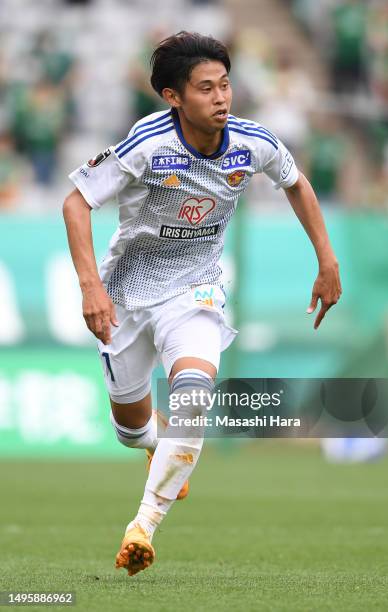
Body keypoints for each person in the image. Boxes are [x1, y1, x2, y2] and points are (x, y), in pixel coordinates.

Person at [62, 31, 342, 577]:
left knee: (194, 397)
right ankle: (151, 441)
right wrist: (91, 288)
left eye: (226, 85)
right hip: (126, 295)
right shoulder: (147, 144)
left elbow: (297, 183)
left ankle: (142, 526)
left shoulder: (252, 142)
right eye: (206, 88)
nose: (222, 98)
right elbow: (76, 203)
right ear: (173, 97)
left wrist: (327, 260)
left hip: (196, 294)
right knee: (129, 426)